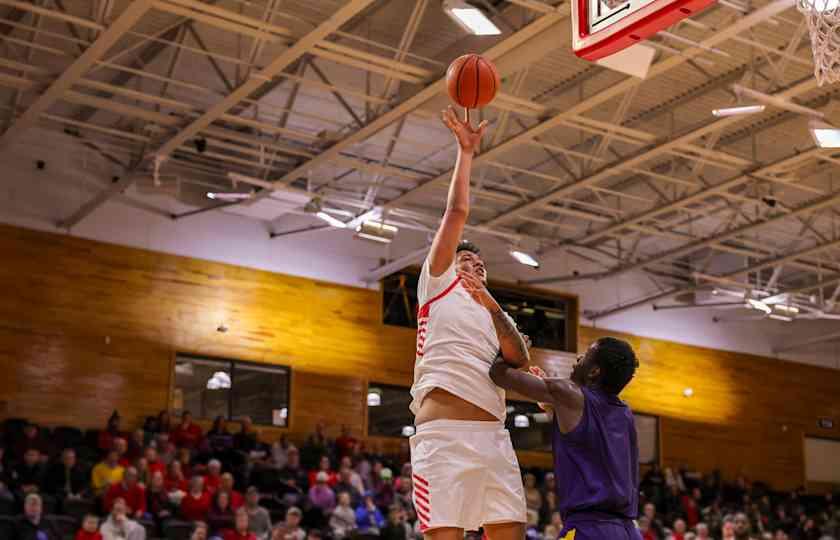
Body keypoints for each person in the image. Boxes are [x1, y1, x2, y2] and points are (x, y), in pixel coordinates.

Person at [408, 106, 529, 540]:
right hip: (444, 438)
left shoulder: (493, 313)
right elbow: (457, 212)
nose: (474, 267)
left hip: (494, 436)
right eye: (466, 260)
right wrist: (466, 153)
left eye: (481, 264)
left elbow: (519, 358)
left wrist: (492, 304)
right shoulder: (437, 285)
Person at [489, 337, 641, 540]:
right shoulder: (625, 414)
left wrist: (513, 350)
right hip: (629, 532)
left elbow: (499, 374)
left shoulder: (569, 394)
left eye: (585, 356)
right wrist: (553, 404)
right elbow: (584, 440)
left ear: (594, 371)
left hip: (590, 529)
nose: (578, 358)